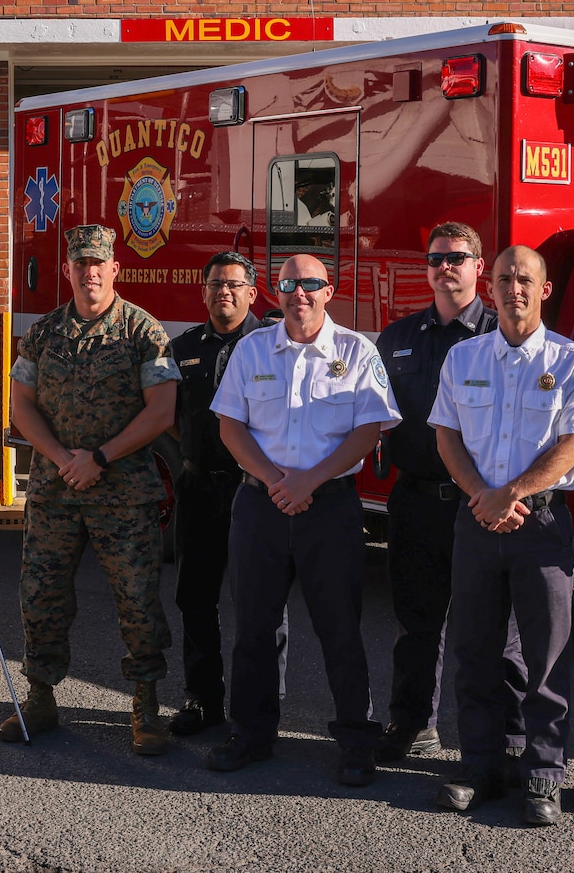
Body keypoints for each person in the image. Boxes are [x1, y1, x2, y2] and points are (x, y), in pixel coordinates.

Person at [429, 245, 574, 826]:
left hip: (542, 523)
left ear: (544, 289)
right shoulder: (462, 357)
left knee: (546, 656)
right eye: (503, 278)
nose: (513, 288)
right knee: (475, 651)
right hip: (476, 519)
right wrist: (484, 495)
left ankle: (544, 775)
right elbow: (447, 437)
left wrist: (514, 493)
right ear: (490, 287)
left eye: (524, 278)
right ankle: (481, 765)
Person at [209, 254, 398, 786]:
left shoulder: (357, 351)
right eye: (289, 284)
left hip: (329, 507)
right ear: (276, 291)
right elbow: (231, 427)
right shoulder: (250, 350)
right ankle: (251, 733)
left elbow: (369, 432)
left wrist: (306, 482)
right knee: (254, 625)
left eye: (310, 284)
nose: (300, 294)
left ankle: (357, 741)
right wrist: (276, 480)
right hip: (260, 505)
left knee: (340, 626)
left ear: (329, 290)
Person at [3, 224, 180, 754]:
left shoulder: (144, 333)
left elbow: (163, 412)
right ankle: (40, 697)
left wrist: (99, 457)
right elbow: (21, 404)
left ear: (115, 269)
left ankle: (146, 706)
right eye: (80, 263)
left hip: (124, 493)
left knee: (138, 600)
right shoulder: (45, 333)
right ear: (68, 271)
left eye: (99, 262)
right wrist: (62, 460)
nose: (90, 271)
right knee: (40, 594)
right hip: (56, 491)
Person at [372, 223, 528, 764]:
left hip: (482, 505)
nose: (446, 266)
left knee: (493, 634)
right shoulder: (397, 338)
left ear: (478, 267)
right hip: (414, 501)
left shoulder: (500, 335)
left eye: (458, 257)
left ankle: (503, 745)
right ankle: (411, 724)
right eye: (437, 258)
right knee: (416, 625)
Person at [167, 251, 270, 737]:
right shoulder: (183, 347)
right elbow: (167, 415)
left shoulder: (272, 344)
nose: (223, 292)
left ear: (253, 293)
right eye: (214, 284)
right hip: (198, 488)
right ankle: (201, 698)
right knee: (195, 598)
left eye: (233, 284)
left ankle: (258, 709)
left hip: (253, 490)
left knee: (260, 603)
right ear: (203, 291)